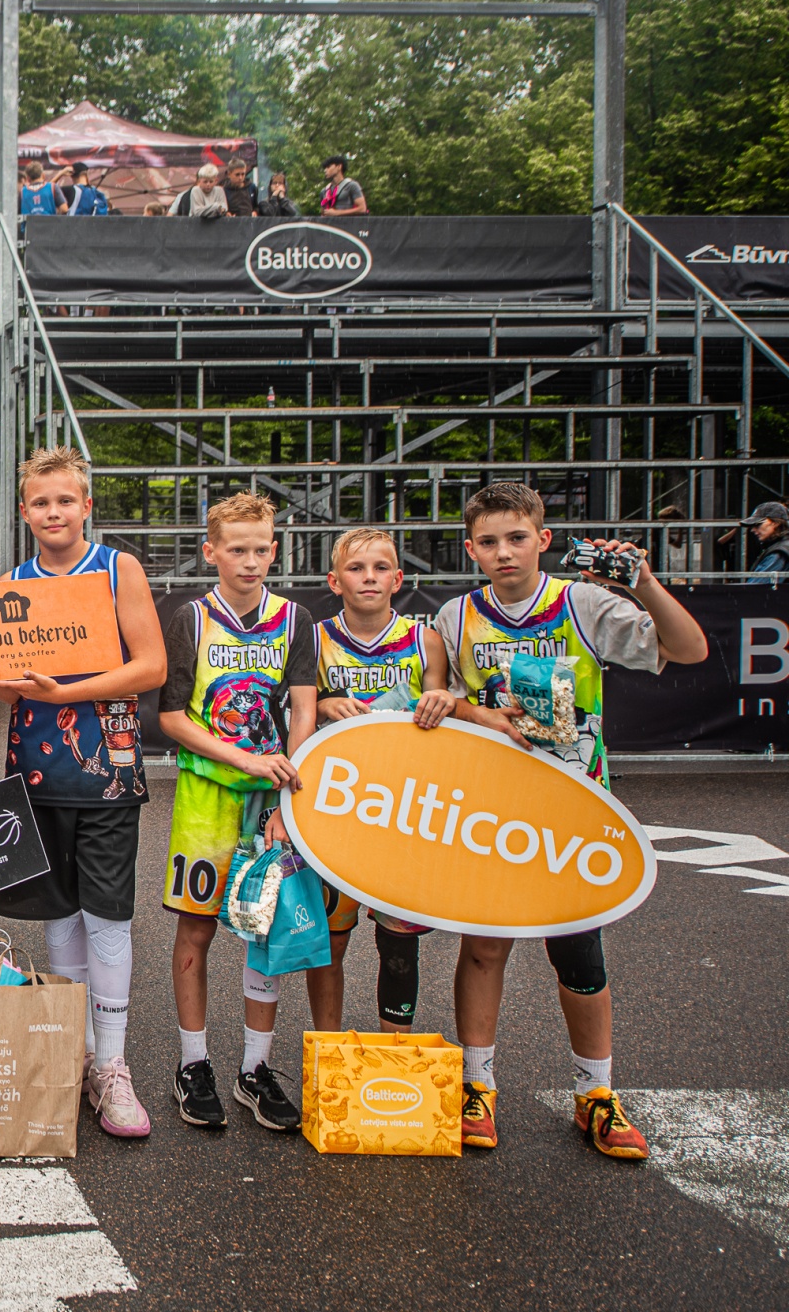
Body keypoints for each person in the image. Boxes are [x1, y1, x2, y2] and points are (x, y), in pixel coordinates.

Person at [424, 481, 708, 1159]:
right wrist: (474, 711)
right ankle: (477, 1085)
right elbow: (440, 698)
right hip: (490, 810)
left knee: (578, 953)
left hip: (573, 809)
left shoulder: (582, 602)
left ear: (543, 539)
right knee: (484, 947)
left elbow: (690, 649)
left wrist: (643, 583)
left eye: (517, 538)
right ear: (470, 549)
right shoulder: (455, 617)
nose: (504, 552)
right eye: (488, 542)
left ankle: (595, 1092)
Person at [0, 447, 168, 1138]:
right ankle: (75, 1051)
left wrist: (66, 692)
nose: (53, 512)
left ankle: (112, 1064)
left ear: (86, 505)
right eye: (41, 502)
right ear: (25, 511)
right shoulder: (12, 582)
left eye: (65, 500)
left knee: (107, 917)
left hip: (107, 774)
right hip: (37, 773)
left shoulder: (118, 569)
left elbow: (151, 666)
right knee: (59, 915)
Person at [157, 492, 319, 1133]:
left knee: (265, 930)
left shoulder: (295, 619)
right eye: (236, 549)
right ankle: (192, 1063)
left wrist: (288, 799)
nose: (249, 561)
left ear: (274, 551)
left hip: (271, 801)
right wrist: (245, 759)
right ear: (211, 552)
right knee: (195, 930)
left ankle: (255, 1069)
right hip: (206, 797)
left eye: (260, 549)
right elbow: (172, 718)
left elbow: (303, 710)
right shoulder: (192, 619)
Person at [308, 527, 459, 1035]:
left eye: (380, 568)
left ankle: (395, 1051)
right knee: (331, 939)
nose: (368, 577)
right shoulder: (316, 639)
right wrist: (326, 703)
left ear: (398, 578)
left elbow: (442, 712)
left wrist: (442, 701)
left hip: (401, 811)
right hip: (335, 808)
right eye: (356, 568)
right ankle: (327, 1049)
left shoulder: (425, 641)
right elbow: (298, 708)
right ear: (335, 580)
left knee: (398, 942)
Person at [735, 499, 789, 579]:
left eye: (757, 524)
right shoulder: (779, 548)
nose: (753, 529)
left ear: (775, 523)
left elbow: (757, 584)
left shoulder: (778, 553)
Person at [657, 503, 703, 585]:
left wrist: (680, 530)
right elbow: (677, 544)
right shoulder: (658, 529)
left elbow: (678, 545)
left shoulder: (663, 531)